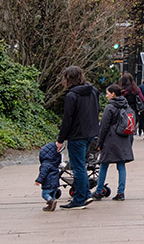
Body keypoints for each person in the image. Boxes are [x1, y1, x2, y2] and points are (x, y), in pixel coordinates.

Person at [56, 65, 100, 209]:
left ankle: (80, 198)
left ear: (68, 79)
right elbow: (96, 110)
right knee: (82, 165)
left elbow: (67, 119)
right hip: (91, 133)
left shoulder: (72, 95)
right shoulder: (93, 91)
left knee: (78, 166)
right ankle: (85, 194)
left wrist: (60, 140)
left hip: (76, 135)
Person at [92, 84, 134, 201]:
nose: (106, 96)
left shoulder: (110, 108)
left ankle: (99, 191)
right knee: (121, 166)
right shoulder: (126, 105)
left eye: (107, 93)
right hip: (123, 138)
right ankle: (121, 192)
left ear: (113, 94)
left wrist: (99, 143)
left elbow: (104, 126)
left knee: (104, 165)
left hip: (110, 140)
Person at [35, 142, 61, 211]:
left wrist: (38, 180)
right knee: (53, 195)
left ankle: (51, 201)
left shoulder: (45, 164)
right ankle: (51, 205)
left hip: (48, 184)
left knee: (45, 194)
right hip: (55, 184)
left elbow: (43, 173)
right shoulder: (55, 163)